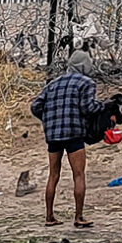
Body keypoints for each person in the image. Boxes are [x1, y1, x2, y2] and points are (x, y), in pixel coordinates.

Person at [31, 64, 101, 228]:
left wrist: (48, 120)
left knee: (53, 175)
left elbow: (35, 106)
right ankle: (79, 217)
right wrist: (103, 107)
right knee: (78, 174)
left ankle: (49, 216)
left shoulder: (53, 84)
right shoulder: (86, 82)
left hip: (53, 134)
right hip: (73, 133)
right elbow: (88, 107)